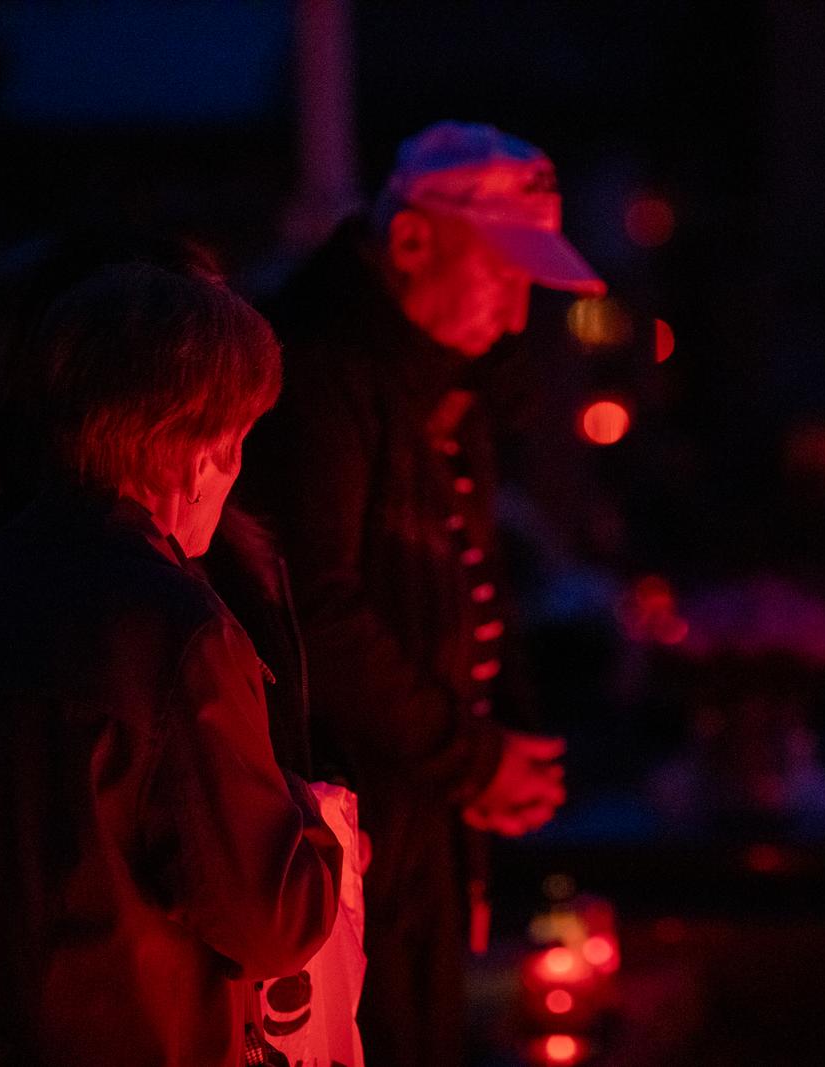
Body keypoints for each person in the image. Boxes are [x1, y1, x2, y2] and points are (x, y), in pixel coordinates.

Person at [0, 262, 342, 1065]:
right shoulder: (179, 635)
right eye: (242, 440)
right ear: (197, 450)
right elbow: (269, 918)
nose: (241, 471)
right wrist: (312, 821)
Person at [238, 120, 606, 1066]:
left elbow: (466, 572)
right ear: (410, 243)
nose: (518, 316)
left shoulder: (436, 388)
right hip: (348, 823)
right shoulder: (319, 381)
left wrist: (501, 735)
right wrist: (470, 754)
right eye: (504, 274)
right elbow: (314, 607)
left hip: (419, 808)